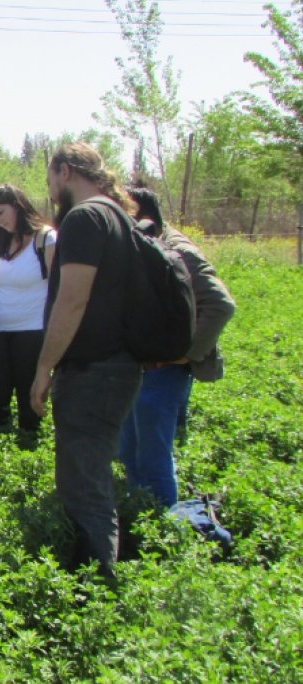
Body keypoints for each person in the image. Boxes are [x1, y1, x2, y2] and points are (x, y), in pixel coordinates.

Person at [30, 142, 144, 577]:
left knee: (84, 485)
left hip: (93, 370)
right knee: (89, 476)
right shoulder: (117, 215)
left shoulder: (84, 217)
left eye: (50, 180)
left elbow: (71, 301)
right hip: (116, 366)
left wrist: (44, 367)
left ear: (64, 171)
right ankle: (97, 571)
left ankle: (98, 589)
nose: (51, 191)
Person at [118, 188, 235, 509]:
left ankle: (162, 537)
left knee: (153, 457)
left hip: (164, 371)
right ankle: (140, 519)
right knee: (129, 450)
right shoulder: (142, 244)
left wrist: (188, 353)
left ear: (143, 218)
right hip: (141, 368)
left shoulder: (177, 250)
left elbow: (221, 304)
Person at [0, 184, 55, 432]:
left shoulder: (45, 239)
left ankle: (29, 452)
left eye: (1, 213)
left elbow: (59, 287)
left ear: (17, 205)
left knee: (29, 403)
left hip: (33, 331)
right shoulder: (4, 243)